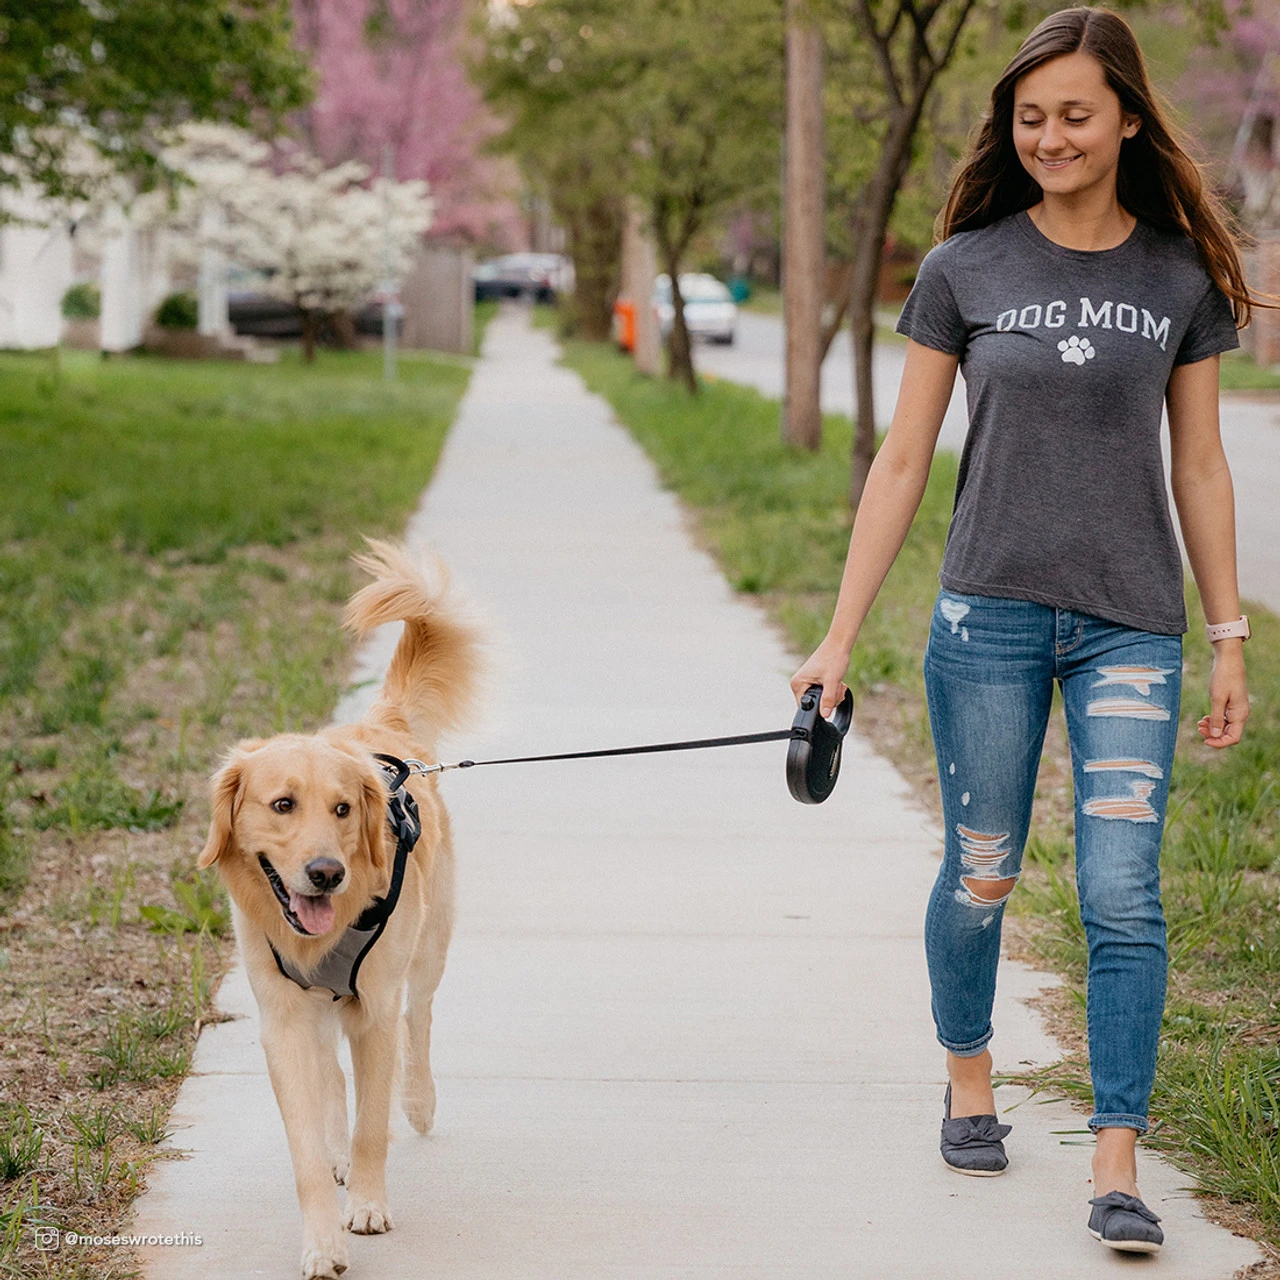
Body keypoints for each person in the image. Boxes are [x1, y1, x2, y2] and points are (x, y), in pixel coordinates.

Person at [791, 5, 1254, 1255]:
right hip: (983, 615)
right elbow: (899, 461)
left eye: (1074, 114)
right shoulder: (964, 268)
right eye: (1029, 115)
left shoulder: (1173, 277)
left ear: (1123, 121)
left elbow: (1200, 466)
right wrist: (838, 639)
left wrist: (1226, 634)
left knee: (1120, 892)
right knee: (982, 868)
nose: (1048, 134)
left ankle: (1115, 1161)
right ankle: (969, 1078)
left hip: (1129, 629)